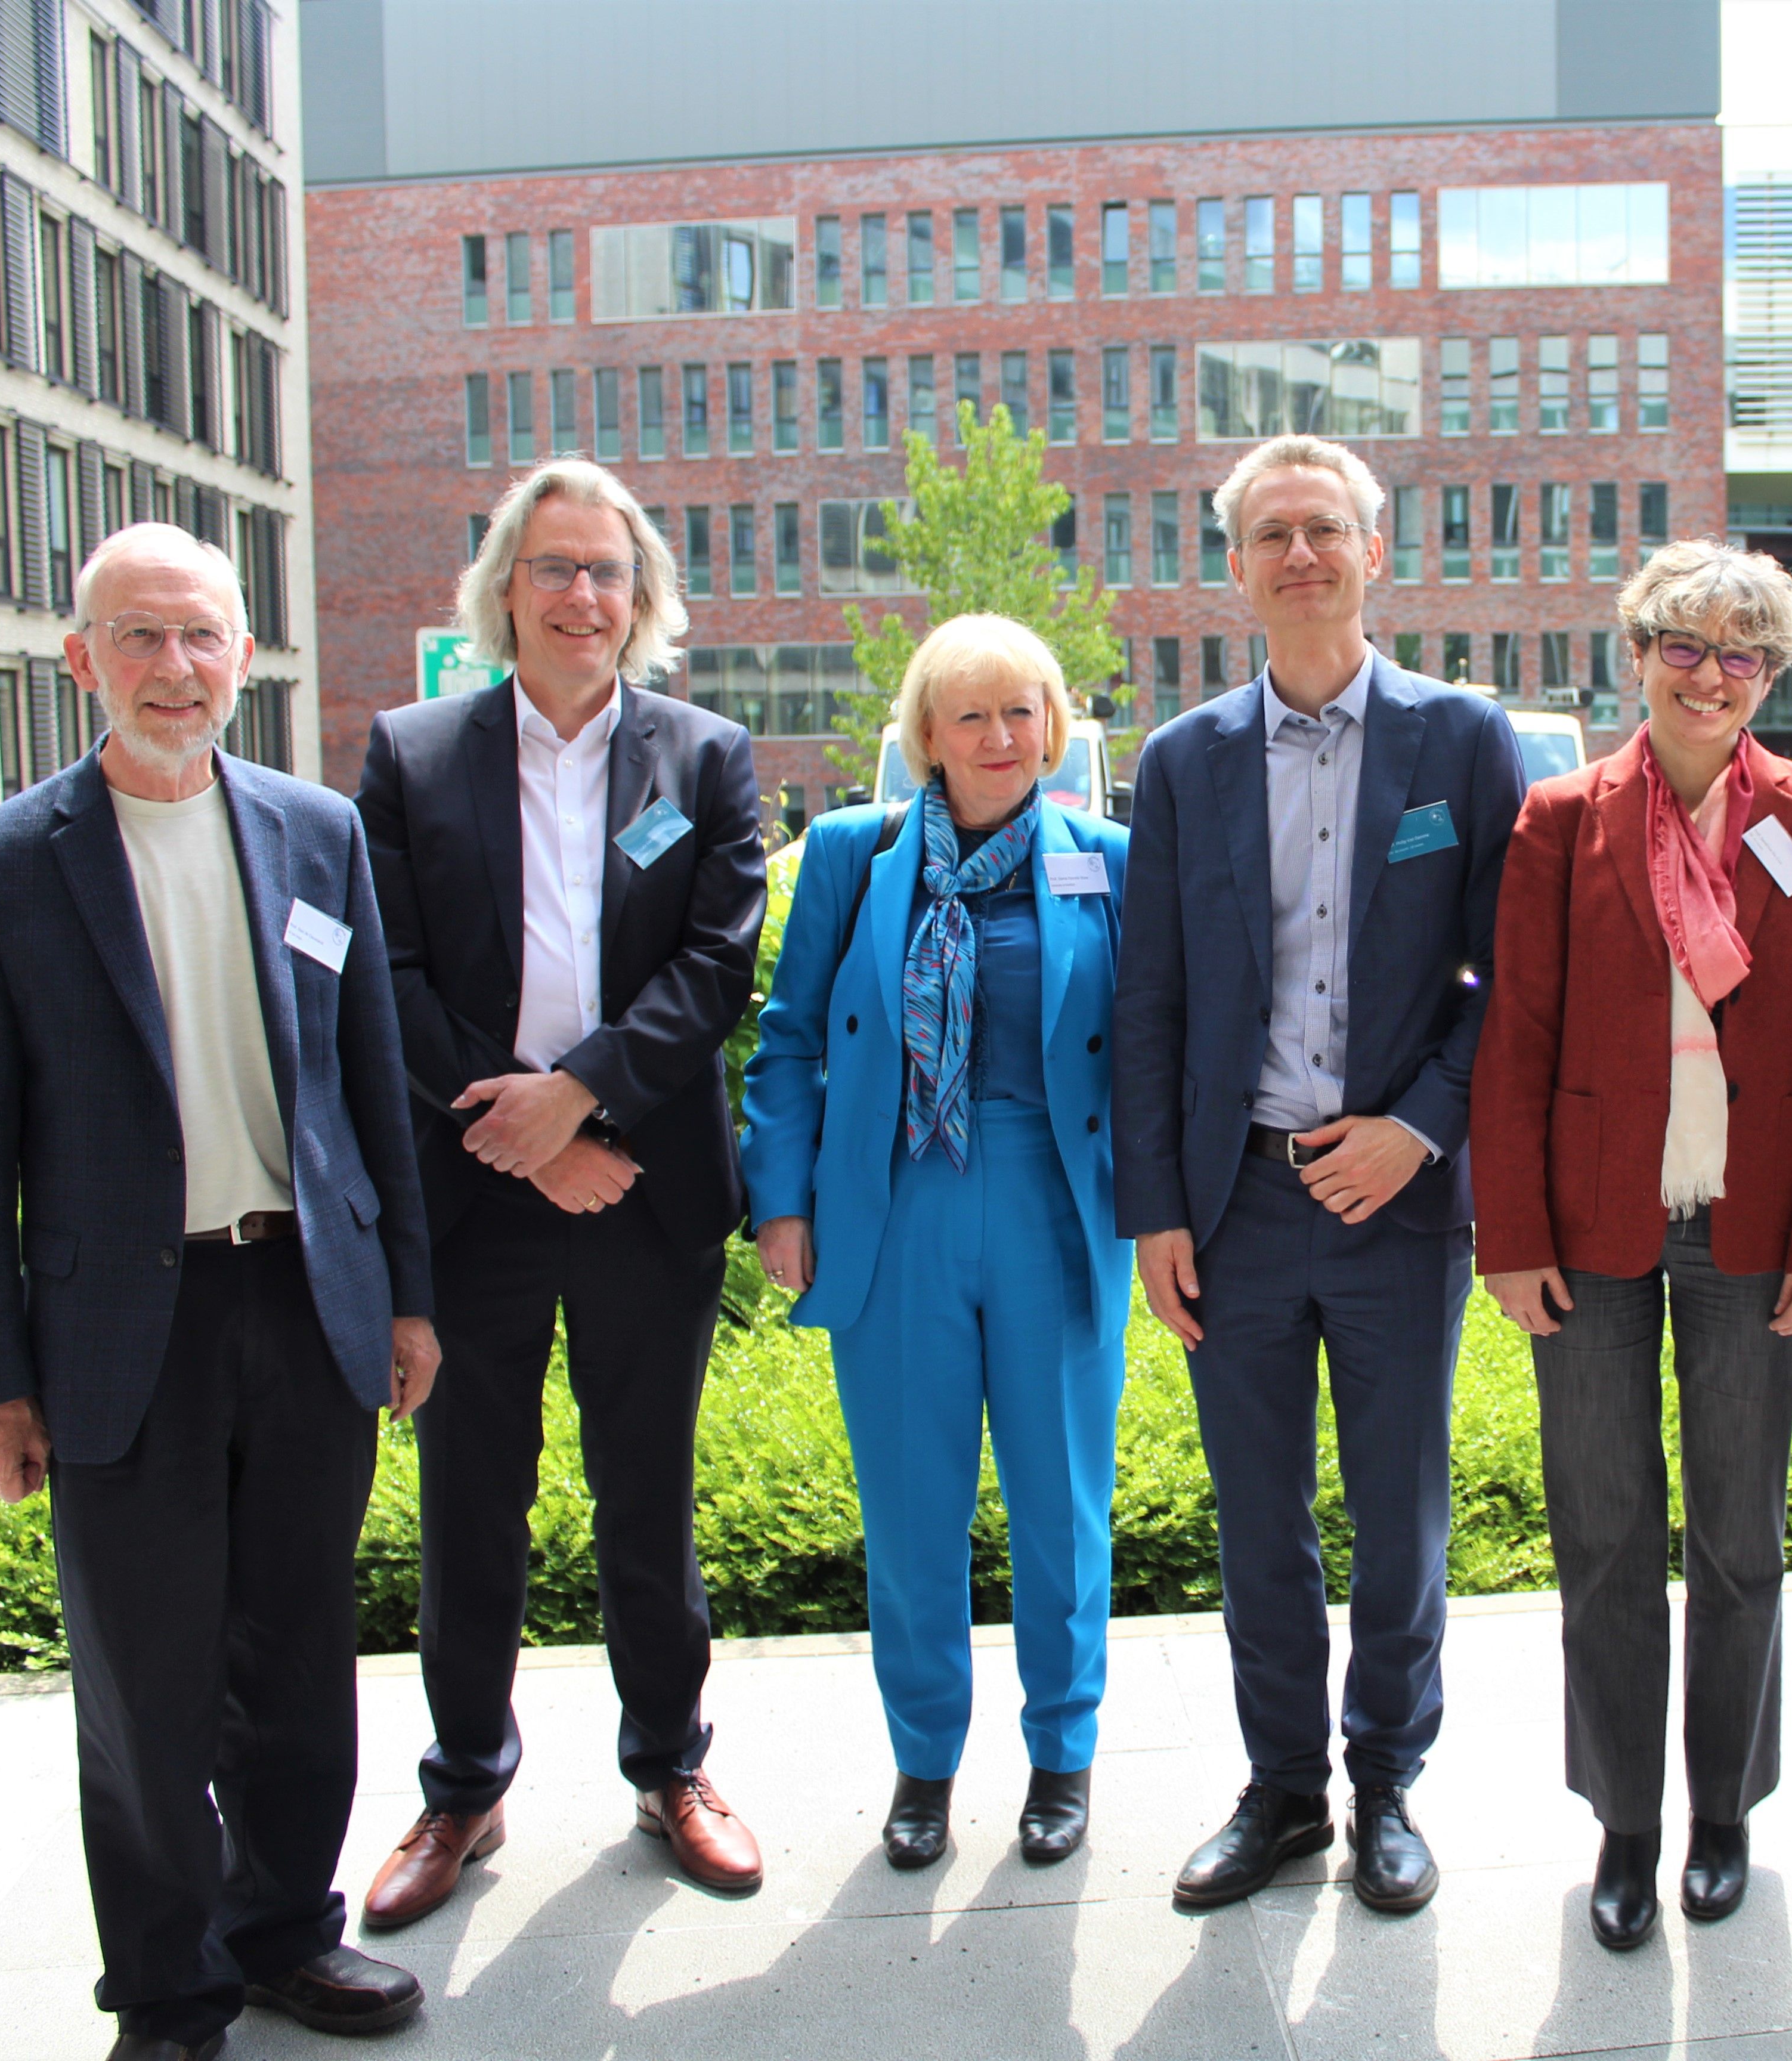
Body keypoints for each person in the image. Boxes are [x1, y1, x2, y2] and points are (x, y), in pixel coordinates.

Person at [0, 524, 440, 2060]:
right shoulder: (0, 867)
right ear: (81, 657)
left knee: (297, 1655)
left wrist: (404, 1294)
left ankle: (286, 1934)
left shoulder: (313, 832)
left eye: (201, 637)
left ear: (242, 657)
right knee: (143, 1686)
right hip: (115, 1335)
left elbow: (368, 1086)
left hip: (304, 1301)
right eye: (139, 638)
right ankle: (164, 1986)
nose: (174, 668)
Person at [353, 459, 769, 1927]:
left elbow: (716, 967)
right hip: (477, 1190)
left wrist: (578, 1101)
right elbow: (385, 973)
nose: (581, 596)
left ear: (638, 597)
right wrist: (521, 1130)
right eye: (553, 570)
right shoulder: (409, 757)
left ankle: (671, 1769)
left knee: (645, 1493)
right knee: (472, 1500)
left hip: (641, 1187)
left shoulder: (707, 759)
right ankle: (463, 1786)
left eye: (606, 572)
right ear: (504, 595)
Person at [1115, 433, 1526, 1915]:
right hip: (1236, 1203)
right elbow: (1147, 1000)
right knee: (1259, 1516)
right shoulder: (1183, 761)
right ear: (1234, 568)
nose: (1301, 556)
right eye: (1271, 534)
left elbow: (1503, 975)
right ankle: (1283, 1789)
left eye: (1325, 531)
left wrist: (1419, 1124)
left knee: (1402, 1506)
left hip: (1397, 1195)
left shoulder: (1462, 740)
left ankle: (1387, 1784)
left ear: (1374, 552)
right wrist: (1155, 1206)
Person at [1471, 540, 1792, 1951]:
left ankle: (1724, 1813)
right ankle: (1625, 1824)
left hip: (1754, 1223)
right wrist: (1510, 1234)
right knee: (1600, 1528)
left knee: (1741, 1537)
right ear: (1638, 653)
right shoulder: (1560, 819)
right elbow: (1514, 1040)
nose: (1712, 677)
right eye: (1686, 647)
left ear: (1771, 673)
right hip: (1592, 1222)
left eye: (1742, 654)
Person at [739, 615, 1132, 1870]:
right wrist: (783, 1199)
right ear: (924, 740)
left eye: (1024, 711)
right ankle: (924, 1763)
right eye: (972, 716)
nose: (1002, 737)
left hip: (1053, 1203)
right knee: (911, 1504)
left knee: (1061, 1502)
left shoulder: (1108, 859)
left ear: (1056, 727)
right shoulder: (853, 856)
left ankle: (1062, 1758)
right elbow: (791, 1037)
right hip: (895, 1201)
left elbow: (1155, 1047)